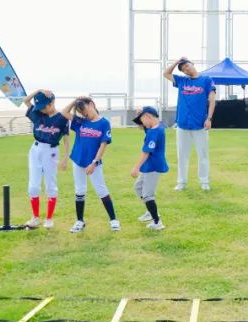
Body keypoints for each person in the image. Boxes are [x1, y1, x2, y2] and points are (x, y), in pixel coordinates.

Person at [62, 96, 119, 232]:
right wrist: (75, 101)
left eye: (84, 109)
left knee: (101, 190)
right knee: (79, 190)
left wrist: (94, 163)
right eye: (80, 111)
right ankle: (79, 221)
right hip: (78, 160)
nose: (83, 113)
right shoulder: (81, 121)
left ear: (92, 104)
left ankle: (113, 220)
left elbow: (103, 144)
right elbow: (64, 113)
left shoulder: (104, 123)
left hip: (93, 163)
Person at [163, 57, 216, 192]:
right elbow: (166, 74)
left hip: (200, 125)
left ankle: (204, 181)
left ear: (192, 64)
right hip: (182, 125)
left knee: (203, 155)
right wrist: (177, 62)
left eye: (186, 65)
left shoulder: (206, 80)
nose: (186, 69)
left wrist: (209, 118)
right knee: (182, 156)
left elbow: (212, 100)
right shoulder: (182, 81)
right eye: (183, 69)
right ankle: (181, 182)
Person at [22, 89, 69, 229]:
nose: (42, 109)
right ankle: (35, 218)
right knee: (33, 185)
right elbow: (25, 101)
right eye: (40, 107)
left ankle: (49, 219)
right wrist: (39, 90)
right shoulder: (37, 113)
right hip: (36, 150)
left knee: (50, 184)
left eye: (44, 106)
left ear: (52, 102)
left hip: (51, 151)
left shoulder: (62, 118)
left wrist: (65, 157)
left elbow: (66, 138)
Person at [131, 106, 168, 230]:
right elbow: (143, 127)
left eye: (142, 120)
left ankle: (157, 222)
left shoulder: (154, 132)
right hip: (149, 165)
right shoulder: (156, 126)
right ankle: (150, 212)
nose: (141, 124)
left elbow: (146, 152)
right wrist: (140, 115)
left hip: (153, 166)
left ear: (148, 116)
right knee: (138, 187)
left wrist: (136, 167)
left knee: (147, 195)